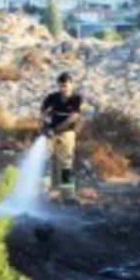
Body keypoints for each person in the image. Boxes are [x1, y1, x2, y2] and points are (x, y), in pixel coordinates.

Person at [40, 72, 83, 201]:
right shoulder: (52, 97)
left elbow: (74, 117)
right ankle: (48, 193)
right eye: (60, 86)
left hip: (67, 134)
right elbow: (43, 110)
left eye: (65, 86)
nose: (62, 89)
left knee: (65, 164)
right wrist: (45, 124)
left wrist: (57, 129)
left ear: (71, 84)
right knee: (49, 161)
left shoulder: (77, 99)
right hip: (51, 132)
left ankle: (68, 196)